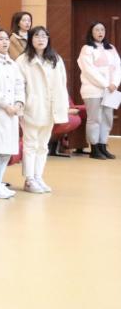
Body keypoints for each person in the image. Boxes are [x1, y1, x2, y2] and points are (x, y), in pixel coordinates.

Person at [17, 26, 69, 193]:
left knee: (43, 145)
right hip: (32, 107)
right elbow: (19, 86)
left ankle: (38, 176)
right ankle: (29, 179)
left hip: (51, 107)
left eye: (44, 36)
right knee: (30, 144)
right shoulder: (23, 60)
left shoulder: (55, 59)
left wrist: (63, 106)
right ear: (31, 39)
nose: (41, 39)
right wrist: (22, 106)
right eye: (37, 36)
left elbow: (62, 84)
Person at [0, 29, 24, 198]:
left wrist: (19, 102)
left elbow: (19, 85)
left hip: (12, 113)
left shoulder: (12, 63)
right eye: (0, 39)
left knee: (6, 151)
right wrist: (5, 105)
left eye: (7, 39)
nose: (5, 42)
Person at [77, 21, 121, 159]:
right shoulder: (87, 49)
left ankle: (103, 146)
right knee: (95, 118)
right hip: (93, 90)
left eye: (102, 29)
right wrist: (106, 84)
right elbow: (89, 70)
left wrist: (114, 83)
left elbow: (118, 67)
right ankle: (94, 148)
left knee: (107, 118)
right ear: (91, 32)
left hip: (110, 90)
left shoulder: (111, 48)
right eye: (97, 30)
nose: (100, 32)